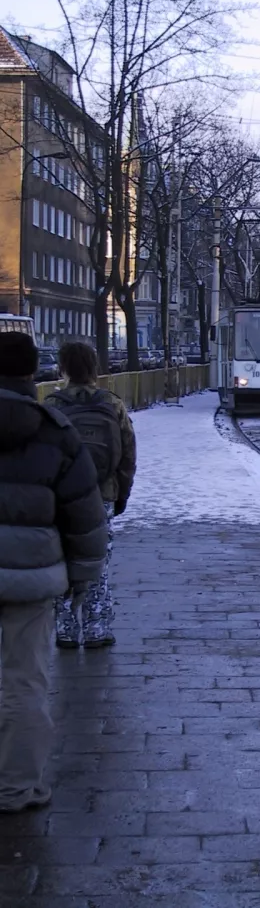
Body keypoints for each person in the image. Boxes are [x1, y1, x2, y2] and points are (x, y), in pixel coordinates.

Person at [0, 332, 107, 813]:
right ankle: (16, 786)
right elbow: (83, 513)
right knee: (25, 681)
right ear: (32, 373)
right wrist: (82, 577)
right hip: (29, 578)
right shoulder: (54, 429)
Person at [46, 342, 136, 649]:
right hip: (102, 495)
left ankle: (66, 628)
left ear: (64, 368)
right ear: (94, 367)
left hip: (60, 498)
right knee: (98, 561)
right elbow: (127, 454)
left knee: (63, 558)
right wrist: (121, 494)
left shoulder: (52, 405)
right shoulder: (112, 404)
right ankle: (98, 628)